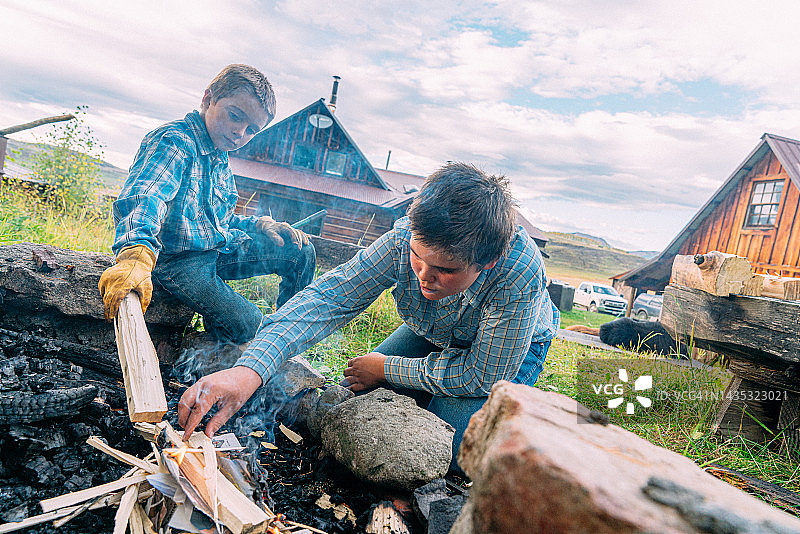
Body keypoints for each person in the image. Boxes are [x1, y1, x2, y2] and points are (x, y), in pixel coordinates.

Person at [178, 162, 560, 469]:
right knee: (356, 398)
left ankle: (521, 417)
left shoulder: (516, 273)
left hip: (503, 352)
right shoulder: (403, 237)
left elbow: (481, 373)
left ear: (487, 263)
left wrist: (386, 368)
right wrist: (250, 370)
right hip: (437, 330)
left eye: (445, 269)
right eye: (417, 257)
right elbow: (329, 298)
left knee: (453, 451)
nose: (424, 275)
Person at [98, 64, 316, 345]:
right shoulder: (174, 142)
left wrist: (263, 224)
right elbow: (145, 198)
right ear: (208, 99)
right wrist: (135, 257)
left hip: (215, 251)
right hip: (178, 263)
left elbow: (220, 221)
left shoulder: (219, 154)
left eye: (252, 130)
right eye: (235, 116)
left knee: (300, 251)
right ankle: (216, 344)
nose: (240, 133)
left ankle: (287, 339)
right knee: (249, 323)